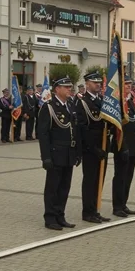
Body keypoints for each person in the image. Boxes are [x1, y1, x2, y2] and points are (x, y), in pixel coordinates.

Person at [37, 76, 80, 230]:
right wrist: (46, 157)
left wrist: (77, 152)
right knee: (53, 188)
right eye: (66, 87)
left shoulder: (71, 105)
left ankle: (60, 215)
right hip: (56, 154)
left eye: (70, 87)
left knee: (64, 187)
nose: (70, 89)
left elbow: (75, 130)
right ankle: (50, 218)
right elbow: (43, 134)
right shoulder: (49, 107)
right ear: (57, 89)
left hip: (69, 153)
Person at [75, 70, 110, 224]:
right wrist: (94, 149)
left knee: (99, 180)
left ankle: (95, 209)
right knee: (90, 180)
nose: (98, 85)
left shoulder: (102, 100)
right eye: (95, 83)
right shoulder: (82, 102)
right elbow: (82, 128)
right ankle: (87, 212)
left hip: (103, 146)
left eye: (99, 83)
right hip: (91, 149)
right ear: (87, 84)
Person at [108, 79, 135, 218]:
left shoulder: (130, 101)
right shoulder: (118, 104)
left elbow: (134, 125)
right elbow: (117, 128)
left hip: (133, 145)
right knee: (120, 177)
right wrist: (123, 147)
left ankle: (124, 204)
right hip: (122, 145)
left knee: (128, 177)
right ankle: (117, 207)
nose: (129, 87)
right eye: (126, 85)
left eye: (130, 85)